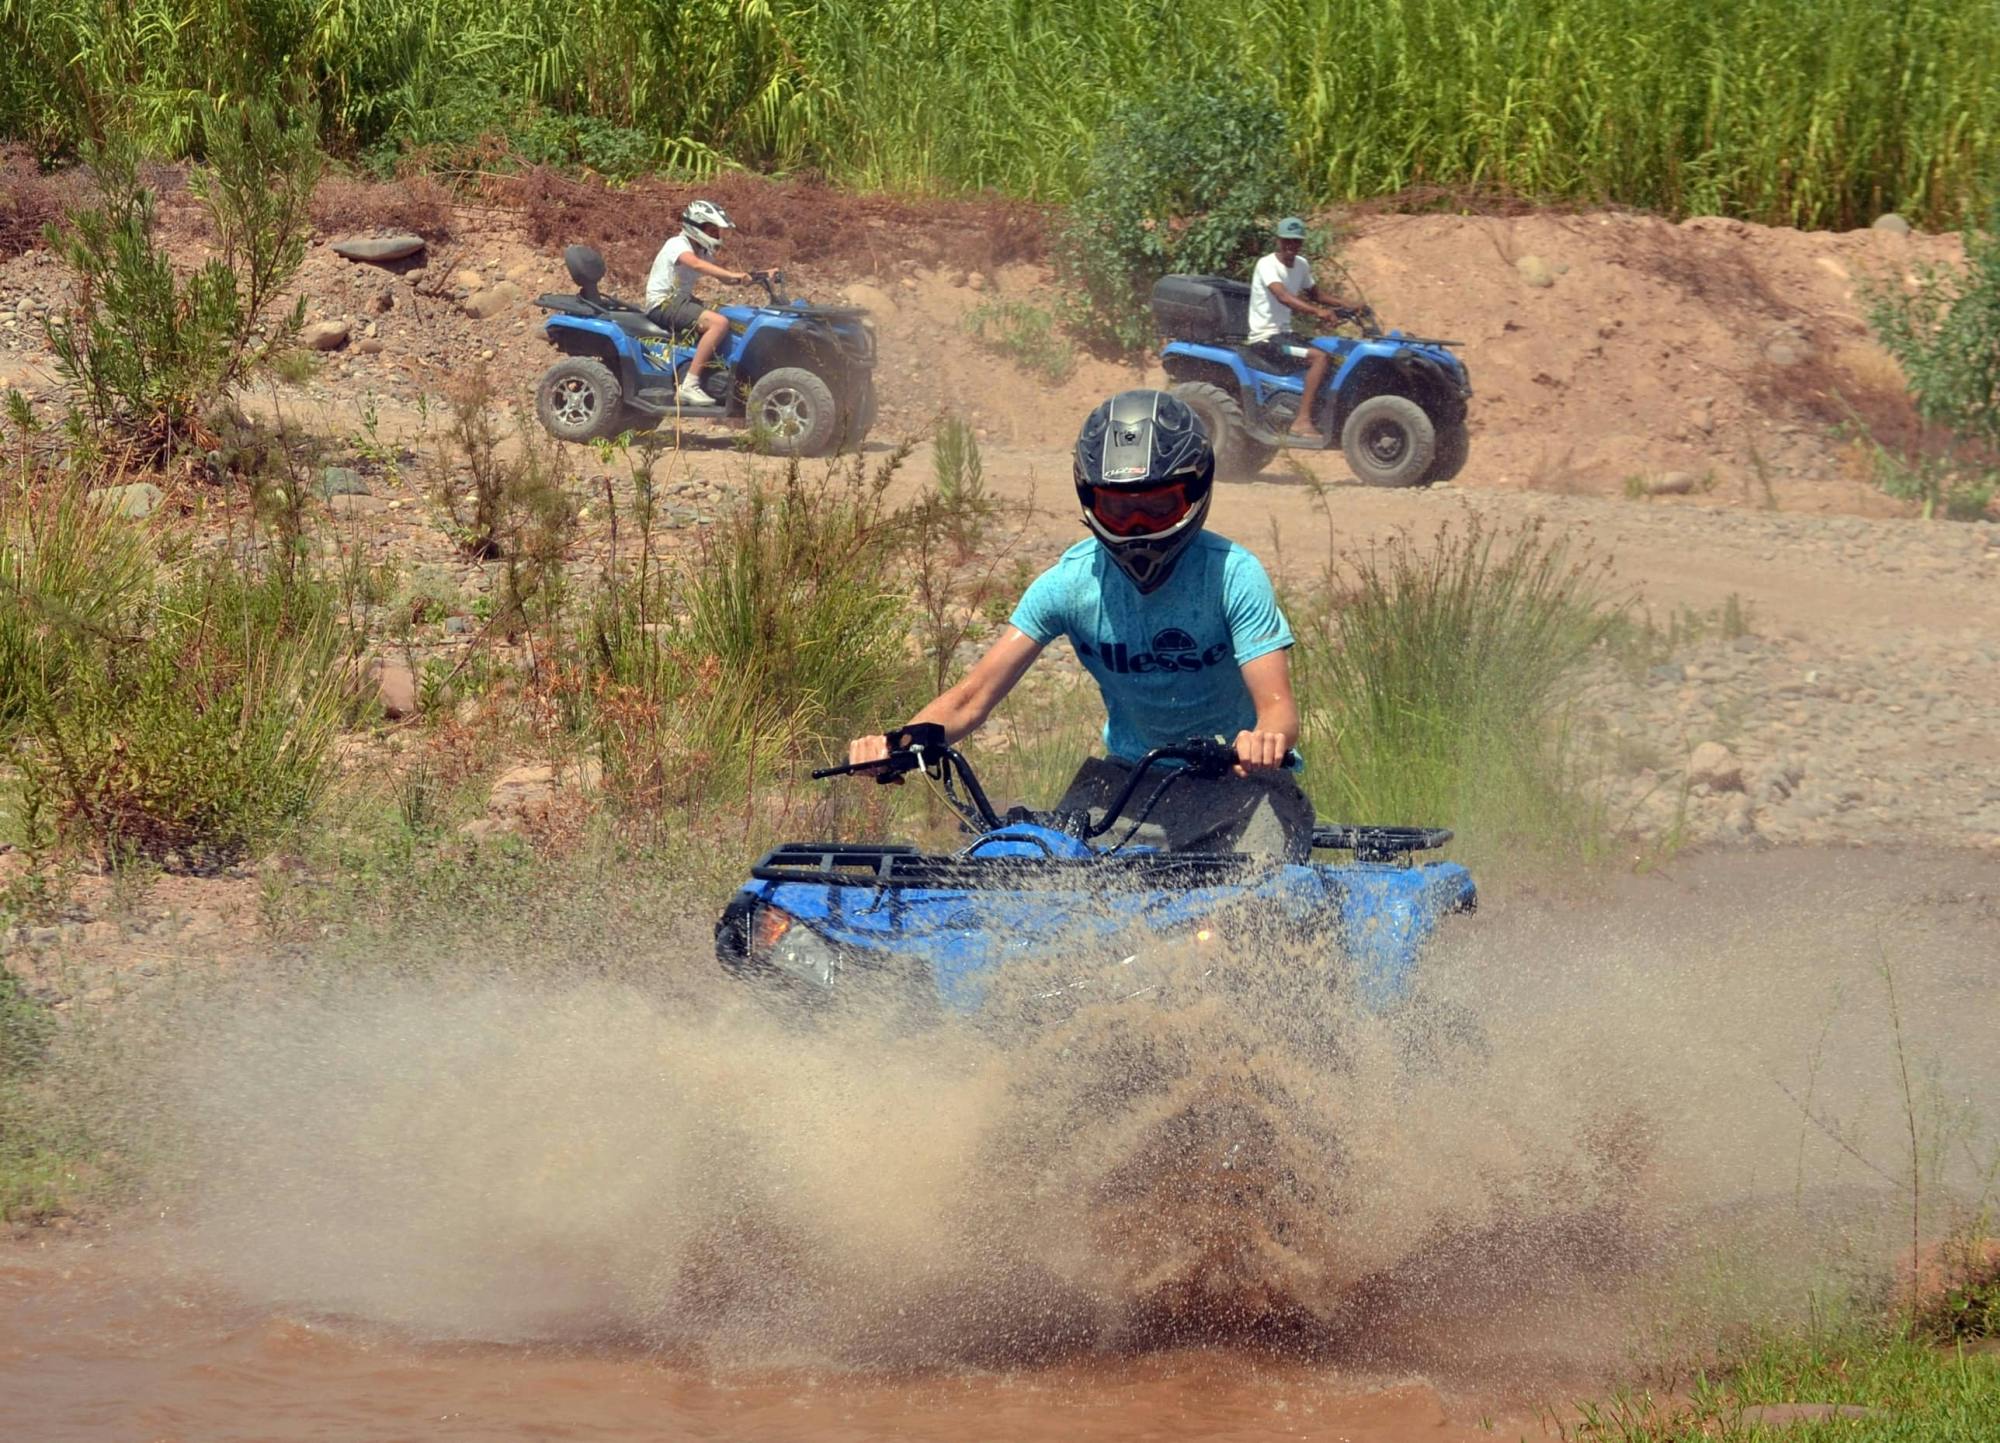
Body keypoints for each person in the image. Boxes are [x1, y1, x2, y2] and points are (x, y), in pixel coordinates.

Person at [846, 389, 1314, 860]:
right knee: (1027, 873)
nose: (1136, 527)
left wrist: (1262, 741)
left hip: (1239, 786)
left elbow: (1279, 711)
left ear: (1195, 492)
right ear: (1089, 499)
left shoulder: (1233, 574)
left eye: (1156, 507)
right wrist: (896, 744)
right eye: (1117, 508)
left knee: (1246, 909)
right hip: (1125, 787)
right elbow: (971, 697)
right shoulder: (1068, 584)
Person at [1248, 216, 1359, 439]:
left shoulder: (1301, 265)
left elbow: (1316, 294)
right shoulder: (1266, 264)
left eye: (1296, 242)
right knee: (1319, 358)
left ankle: (1323, 412)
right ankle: (1301, 421)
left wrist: (1346, 305)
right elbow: (1283, 296)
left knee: (1335, 355)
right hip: (1266, 338)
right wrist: (1318, 312)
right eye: (1286, 241)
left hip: (1286, 334)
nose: (1291, 246)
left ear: (1301, 243)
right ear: (1278, 240)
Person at [645, 199, 753, 407]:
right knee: (718, 323)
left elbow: (724, 278)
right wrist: (733, 274)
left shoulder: (701, 251)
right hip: (663, 303)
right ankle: (689, 384)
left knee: (730, 315)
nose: (716, 237)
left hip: (682, 301)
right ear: (696, 227)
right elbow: (695, 264)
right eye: (712, 231)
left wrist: (757, 276)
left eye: (717, 232)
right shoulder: (678, 244)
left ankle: (718, 372)